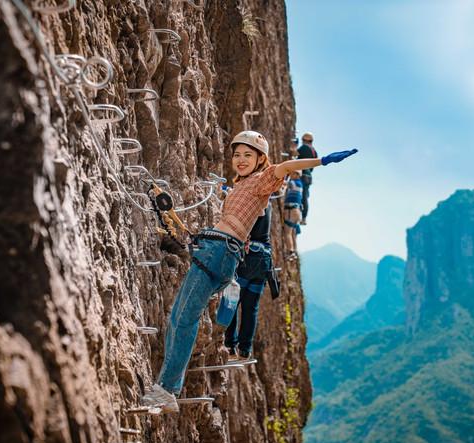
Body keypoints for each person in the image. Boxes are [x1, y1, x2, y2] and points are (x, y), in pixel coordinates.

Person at [141, 130, 356, 413]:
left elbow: (286, 167)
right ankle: (167, 388)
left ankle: (166, 390)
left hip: (219, 251)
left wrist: (322, 161)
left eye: (248, 155)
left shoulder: (261, 180)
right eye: (237, 155)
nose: (241, 160)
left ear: (260, 159)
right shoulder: (244, 186)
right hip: (216, 249)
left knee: (184, 319)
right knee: (178, 317)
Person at [224, 203, 273, 361]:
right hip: (264, 260)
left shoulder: (254, 202)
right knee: (250, 308)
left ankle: (230, 347)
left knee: (232, 301)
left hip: (249, 257)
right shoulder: (268, 203)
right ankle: (244, 350)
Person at [296, 132, 318, 225]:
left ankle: (301, 215)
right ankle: (303, 217)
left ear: (304, 140)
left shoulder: (304, 148)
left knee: (301, 196)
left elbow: (297, 158)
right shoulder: (314, 151)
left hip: (302, 174)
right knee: (305, 196)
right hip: (309, 175)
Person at [283, 169, 303, 259]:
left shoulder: (295, 183)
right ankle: (294, 251)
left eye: (292, 173)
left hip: (291, 210)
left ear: (296, 174)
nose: (290, 175)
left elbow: (285, 184)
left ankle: (290, 252)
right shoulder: (300, 184)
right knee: (293, 233)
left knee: (288, 232)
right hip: (297, 211)